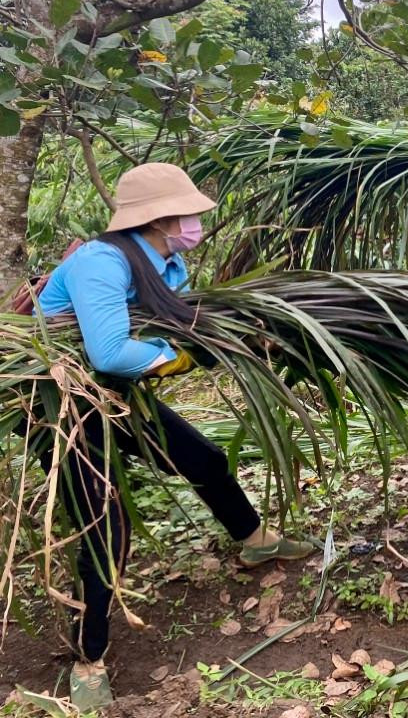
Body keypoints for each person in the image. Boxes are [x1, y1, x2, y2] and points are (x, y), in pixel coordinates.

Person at [34, 163, 314, 710]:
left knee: (203, 459)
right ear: (161, 218)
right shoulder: (100, 262)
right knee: (101, 520)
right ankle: (88, 658)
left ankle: (256, 542)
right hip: (62, 405)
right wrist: (180, 356)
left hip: (115, 395)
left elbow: (161, 328)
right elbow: (111, 351)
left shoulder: (168, 260)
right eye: (188, 213)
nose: (195, 222)